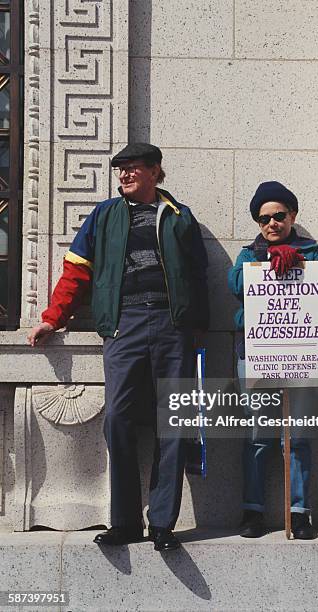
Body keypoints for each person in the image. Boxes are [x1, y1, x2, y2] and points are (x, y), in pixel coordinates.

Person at [27, 143, 209, 550]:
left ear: (155, 172)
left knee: (173, 422)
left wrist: (198, 328)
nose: (124, 175)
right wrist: (53, 317)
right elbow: (76, 271)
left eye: (133, 168)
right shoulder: (105, 215)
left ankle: (162, 523)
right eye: (120, 170)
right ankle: (125, 522)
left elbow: (199, 275)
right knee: (119, 420)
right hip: (123, 325)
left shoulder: (179, 217)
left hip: (172, 326)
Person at [228, 181, 318, 539]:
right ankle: (253, 512)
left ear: (291, 216)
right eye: (264, 218)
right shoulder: (249, 253)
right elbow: (234, 284)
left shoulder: (311, 250)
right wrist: (263, 266)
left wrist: (303, 265)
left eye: (278, 216)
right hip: (257, 355)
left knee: (299, 435)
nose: (272, 223)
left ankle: (301, 512)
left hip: (299, 355)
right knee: (259, 435)